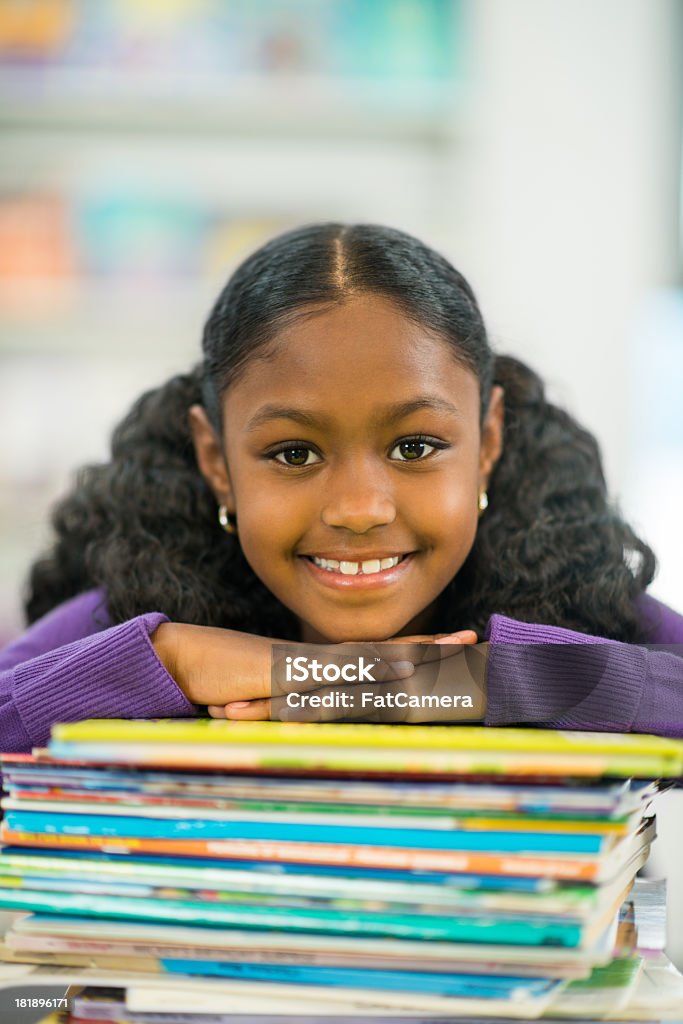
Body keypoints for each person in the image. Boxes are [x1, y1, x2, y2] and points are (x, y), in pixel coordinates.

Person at [2, 223, 682, 754]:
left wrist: (444, 684)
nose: (360, 509)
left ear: (487, 445)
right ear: (216, 461)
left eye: (415, 447)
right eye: (293, 452)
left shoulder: (582, 601)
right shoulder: (134, 614)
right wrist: (172, 662)